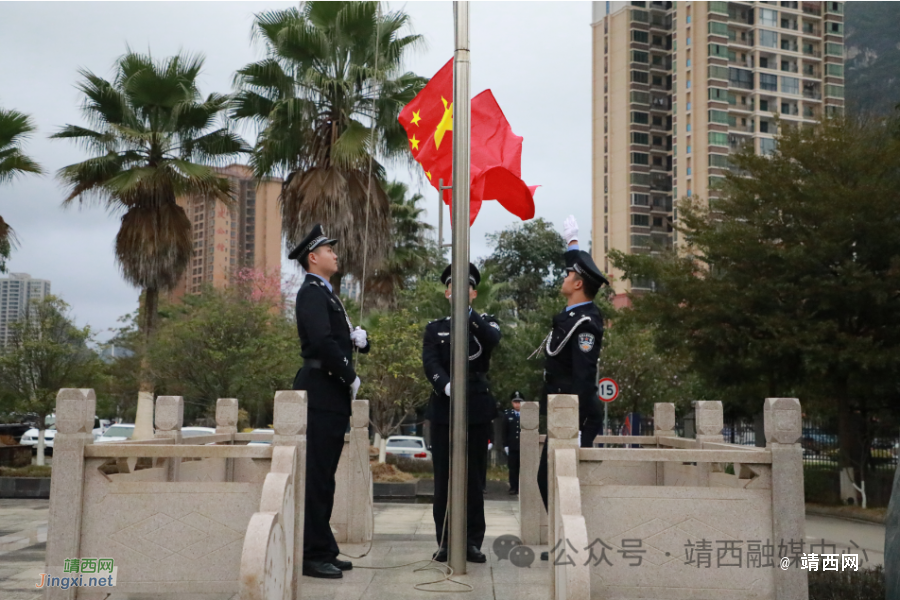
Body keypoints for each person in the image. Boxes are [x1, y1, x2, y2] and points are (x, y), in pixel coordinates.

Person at [290, 224, 370, 579]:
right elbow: (321, 341)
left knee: (326, 477)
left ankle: (324, 547)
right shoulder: (311, 292)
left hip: (330, 391)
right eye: (329, 250)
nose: (335, 254)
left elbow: (334, 336)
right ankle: (311, 553)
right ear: (313, 257)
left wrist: (357, 341)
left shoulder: (327, 293)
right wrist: (348, 375)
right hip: (321, 389)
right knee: (317, 477)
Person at [534, 216, 608, 560]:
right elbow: (576, 268)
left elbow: (583, 375)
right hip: (563, 413)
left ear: (578, 284)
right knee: (549, 478)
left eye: (568, 274)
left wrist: (577, 428)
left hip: (575, 415)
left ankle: (572, 542)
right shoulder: (572, 314)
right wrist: (572, 243)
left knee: (555, 478)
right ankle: (566, 540)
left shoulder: (585, 322)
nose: (564, 277)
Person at [423, 263, 501, 563]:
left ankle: (471, 541)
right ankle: (445, 540)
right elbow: (430, 362)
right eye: (453, 286)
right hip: (444, 407)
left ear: (473, 293)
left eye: (465, 286)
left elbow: (493, 342)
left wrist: (468, 315)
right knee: (443, 478)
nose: (458, 290)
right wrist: (446, 386)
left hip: (477, 408)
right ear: (446, 292)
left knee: (473, 478)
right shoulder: (435, 327)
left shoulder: (485, 323)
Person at [502, 391, 524, 495]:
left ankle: (521, 487)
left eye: (519, 402)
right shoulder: (507, 415)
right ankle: (513, 486)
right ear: (512, 403)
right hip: (512, 445)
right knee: (513, 467)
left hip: (523, 446)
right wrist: (505, 445)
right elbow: (504, 431)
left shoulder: (527, 415)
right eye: (515, 402)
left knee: (522, 467)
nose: (517, 404)